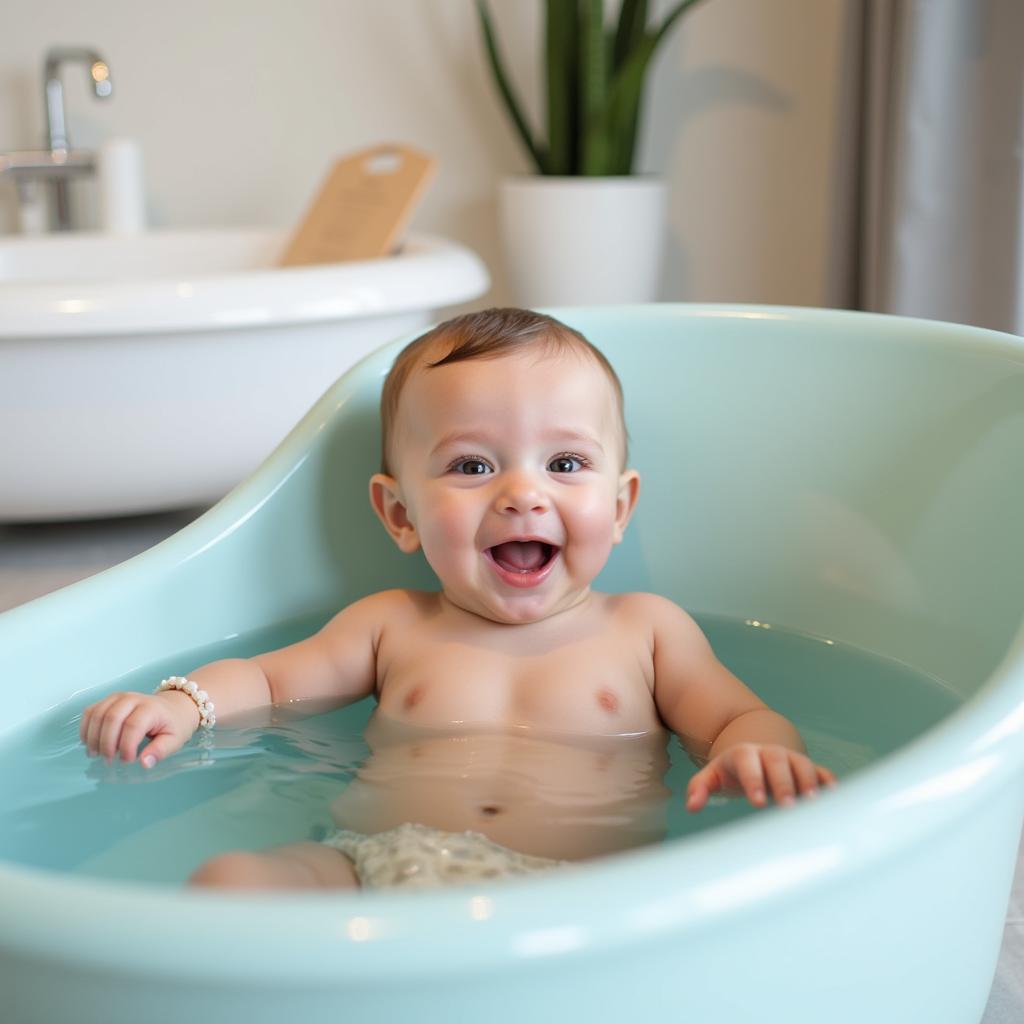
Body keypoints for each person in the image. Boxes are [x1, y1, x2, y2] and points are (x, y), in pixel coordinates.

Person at [80, 307, 836, 891]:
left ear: (620, 504)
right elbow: (271, 682)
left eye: (565, 462)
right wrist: (183, 707)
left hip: (574, 897)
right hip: (377, 869)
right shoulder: (391, 626)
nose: (523, 494)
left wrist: (756, 751)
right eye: (472, 466)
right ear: (400, 514)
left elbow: (736, 715)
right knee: (231, 883)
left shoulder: (645, 632)